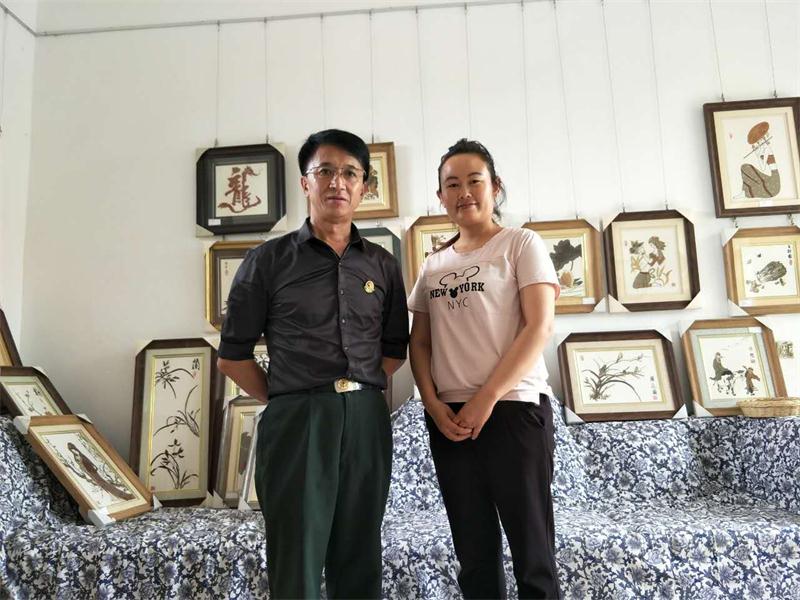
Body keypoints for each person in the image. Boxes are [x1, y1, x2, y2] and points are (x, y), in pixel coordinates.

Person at [217, 129, 409, 599]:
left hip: (366, 420)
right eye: (325, 171)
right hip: (297, 420)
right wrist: (290, 395)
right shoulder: (268, 261)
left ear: (363, 187)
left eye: (350, 173)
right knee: (297, 561)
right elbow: (232, 357)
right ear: (306, 183)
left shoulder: (382, 265)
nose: (337, 182)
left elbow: (393, 349)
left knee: (360, 557)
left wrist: (356, 392)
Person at [408, 139, 561, 599]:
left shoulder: (520, 244)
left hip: (513, 410)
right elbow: (420, 342)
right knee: (474, 557)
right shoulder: (434, 264)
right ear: (440, 197)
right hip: (450, 421)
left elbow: (538, 327)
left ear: (495, 187)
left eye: (474, 181)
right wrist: (433, 405)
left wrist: (486, 398)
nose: (464, 192)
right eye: (452, 184)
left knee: (533, 554)